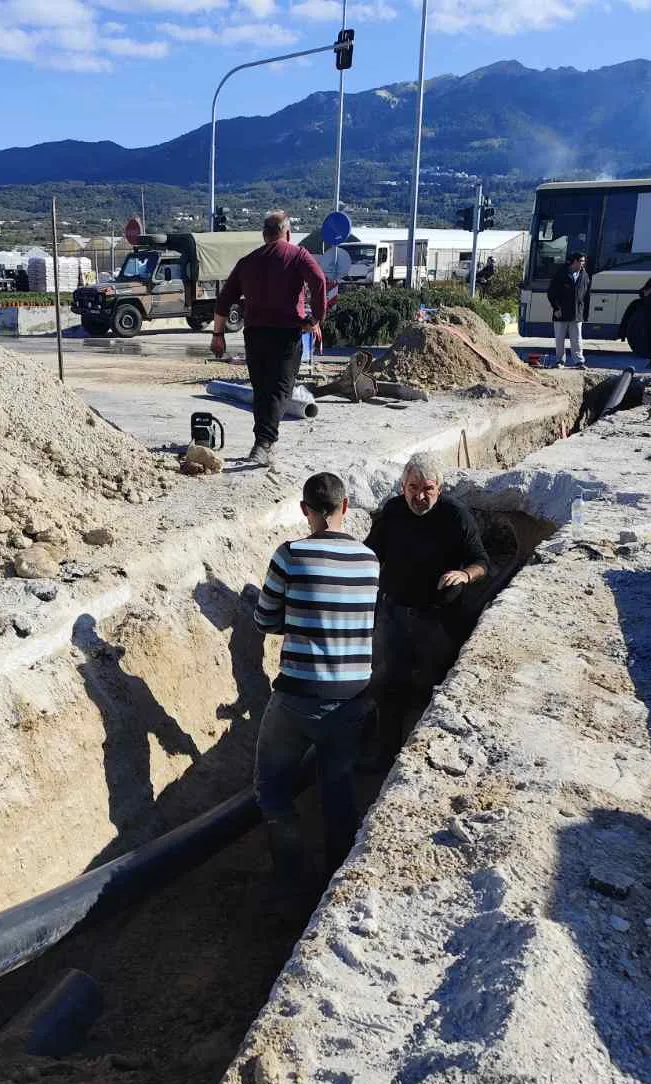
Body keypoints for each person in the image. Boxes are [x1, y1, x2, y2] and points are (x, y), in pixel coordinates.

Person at [251, 471, 380, 895]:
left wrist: (298, 617)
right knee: (338, 790)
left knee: (272, 787)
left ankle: (293, 884)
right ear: (345, 507)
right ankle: (335, 887)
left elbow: (264, 620)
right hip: (353, 697)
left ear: (304, 509)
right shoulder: (369, 560)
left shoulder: (290, 554)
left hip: (297, 698)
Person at [363, 453, 490, 767]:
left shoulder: (456, 516)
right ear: (403, 487)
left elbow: (481, 562)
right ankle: (384, 755)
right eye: (413, 488)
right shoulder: (393, 511)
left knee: (433, 687)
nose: (420, 496)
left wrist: (465, 574)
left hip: (438, 621)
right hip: (395, 615)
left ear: (439, 489)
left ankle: (424, 759)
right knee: (388, 685)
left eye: (428, 489)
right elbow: (369, 554)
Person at [213, 210, 329, 468]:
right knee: (280, 390)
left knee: (263, 390)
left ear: (264, 235)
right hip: (285, 334)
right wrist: (315, 319)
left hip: (254, 334)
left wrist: (218, 335)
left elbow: (224, 300)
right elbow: (319, 281)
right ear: (287, 233)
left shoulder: (247, 261)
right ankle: (264, 444)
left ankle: (262, 442)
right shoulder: (298, 255)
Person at [545, 250, 591, 369]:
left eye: (584, 261)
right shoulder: (561, 274)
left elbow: (586, 296)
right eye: (581, 261)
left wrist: (584, 313)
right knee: (560, 339)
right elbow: (551, 293)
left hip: (577, 313)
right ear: (574, 262)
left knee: (577, 339)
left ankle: (579, 361)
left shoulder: (585, 276)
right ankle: (560, 361)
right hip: (561, 312)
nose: (583, 264)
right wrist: (556, 308)